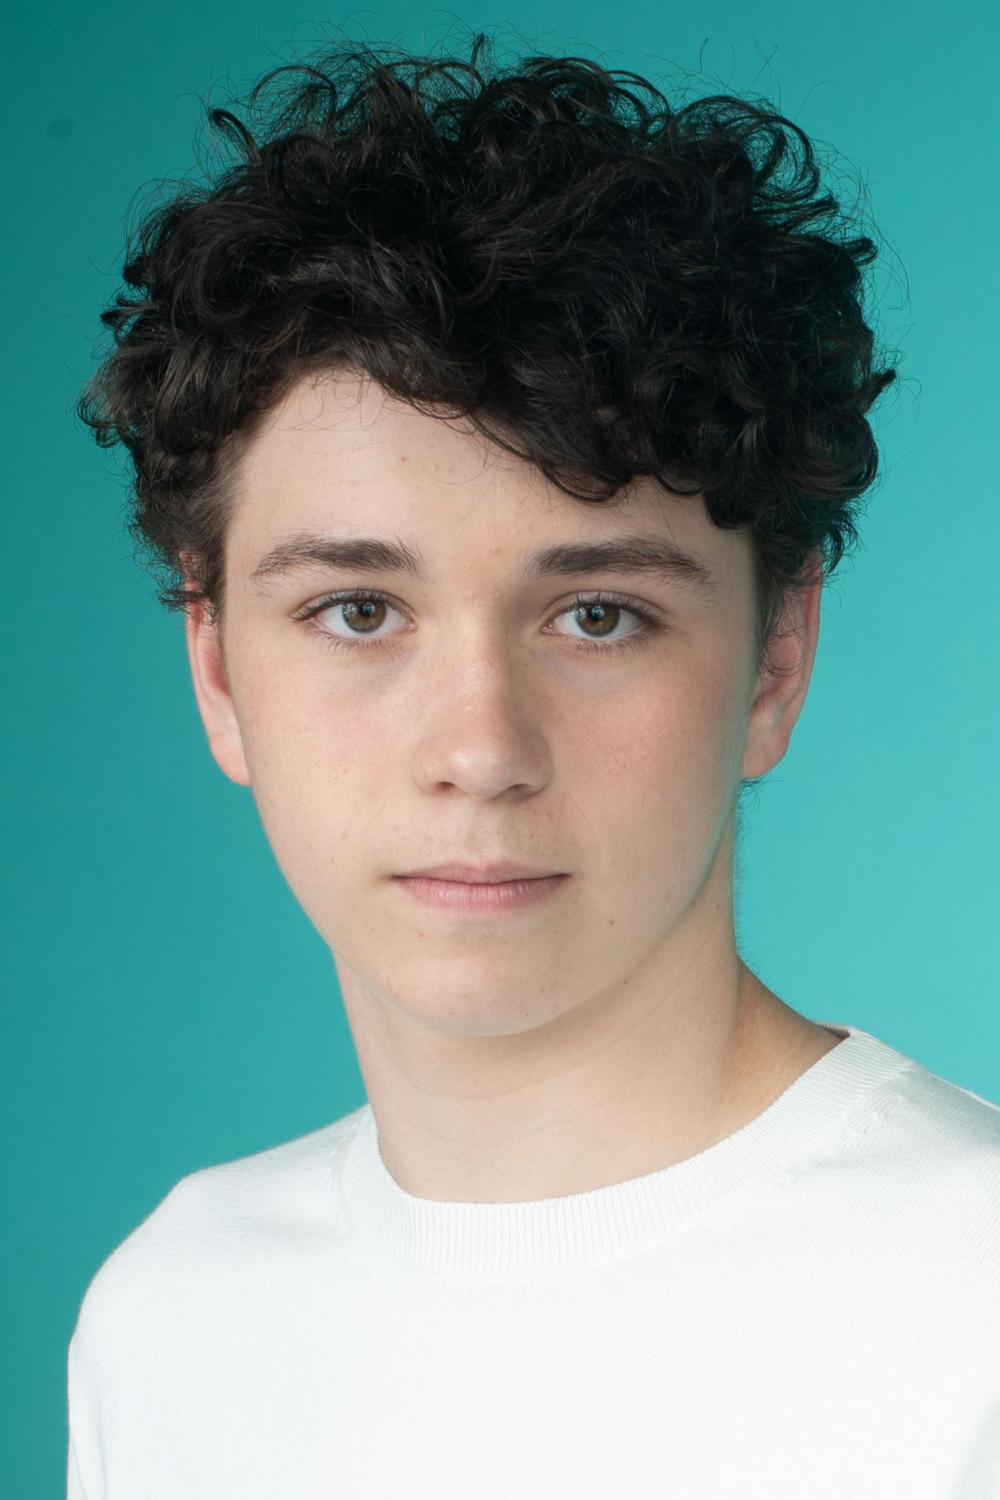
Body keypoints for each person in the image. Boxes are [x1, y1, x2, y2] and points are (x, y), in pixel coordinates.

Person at [66, 33, 1000, 1500]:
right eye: (357, 612)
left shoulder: (972, 1309)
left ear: (774, 661)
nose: (479, 751)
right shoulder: (173, 1320)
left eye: (598, 615)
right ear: (220, 672)